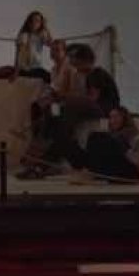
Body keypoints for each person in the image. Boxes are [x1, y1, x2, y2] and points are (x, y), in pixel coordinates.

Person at [17, 44, 121, 179]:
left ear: (82, 59)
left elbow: (92, 99)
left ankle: (44, 153)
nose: (70, 61)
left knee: (62, 113)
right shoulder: (85, 75)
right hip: (90, 109)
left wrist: (65, 98)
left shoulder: (96, 74)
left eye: (72, 58)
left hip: (103, 111)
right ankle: (43, 157)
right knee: (56, 117)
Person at [64, 106, 139, 183]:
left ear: (124, 118)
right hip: (109, 165)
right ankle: (82, 169)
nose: (112, 120)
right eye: (110, 117)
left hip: (126, 168)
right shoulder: (111, 133)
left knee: (95, 137)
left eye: (116, 117)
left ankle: (88, 172)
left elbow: (129, 152)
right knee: (72, 146)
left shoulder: (131, 132)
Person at [14, 11, 53, 82]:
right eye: (32, 20)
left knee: (52, 78)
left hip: (37, 67)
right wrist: (16, 72)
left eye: (38, 21)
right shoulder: (24, 35)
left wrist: (46, 28)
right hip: (25, 69)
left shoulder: (41, 35)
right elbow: (20, 54)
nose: (34, 23)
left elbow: (51, 44)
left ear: (41, 23)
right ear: (29, 22)